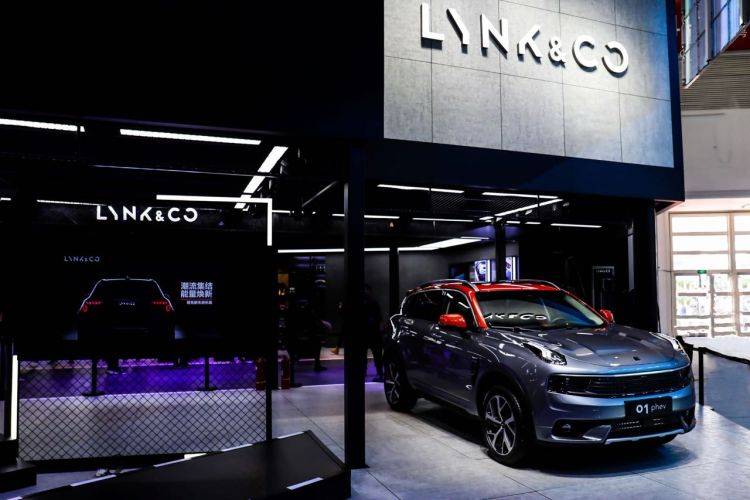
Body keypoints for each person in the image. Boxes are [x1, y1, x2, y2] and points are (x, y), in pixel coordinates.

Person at [363, 285, 384, 382]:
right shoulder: (373, 302)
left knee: (375, 354)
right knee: (376, 354)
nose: (364, 292)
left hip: (371, 332)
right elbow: (379, 317)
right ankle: (379, 373)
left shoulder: (371, 303)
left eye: (366, 290)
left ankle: (378, 373)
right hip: (373, 332)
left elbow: (378, 317)